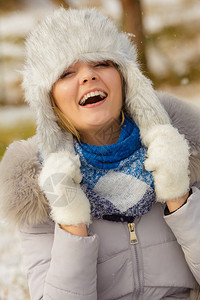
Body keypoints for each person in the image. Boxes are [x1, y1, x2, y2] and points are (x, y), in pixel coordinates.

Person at [0, 7, 200, 300]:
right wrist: (69, 217)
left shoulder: (187, 149)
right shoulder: (36, 187)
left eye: (101, 62)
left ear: (125, 77)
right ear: (49, 99)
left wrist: (179, 195)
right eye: (67, 72)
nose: (88, 77)